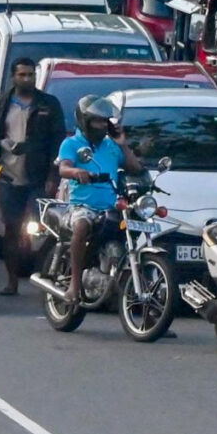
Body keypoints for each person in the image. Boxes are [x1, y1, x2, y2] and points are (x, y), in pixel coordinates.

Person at [0, 58, 64, 292]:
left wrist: (53, 175)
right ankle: (12, 281)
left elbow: (57, 140)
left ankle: (45, 277)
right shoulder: (2, 104)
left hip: (38, 177)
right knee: (11, 229)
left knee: (42, 229)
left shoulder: (48, 105)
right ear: (14, 77)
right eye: (22, 75)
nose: (26, 79)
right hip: (7, 176)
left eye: (30, 75)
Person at [54, 95, 139, 307]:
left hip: (111, 206)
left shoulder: (111, 147)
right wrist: (76, 171)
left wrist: (122, 143)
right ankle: (74, 283)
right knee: (81, 226)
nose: (102, 125)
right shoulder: (72, 143)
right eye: (97, 121)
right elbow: (63, 167)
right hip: (82, 206)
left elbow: (135, 168)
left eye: (105, 121)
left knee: (136, 229)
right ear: (85, 120)